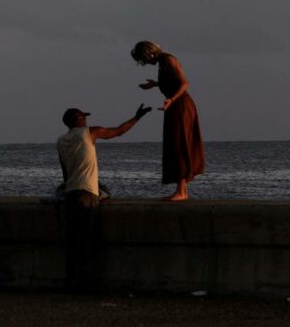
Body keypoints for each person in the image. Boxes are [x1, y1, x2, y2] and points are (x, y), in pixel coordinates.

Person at [57, 104, 151, 290]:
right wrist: (137, 117)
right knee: (86, 239)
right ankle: (85, 284)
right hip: (86, 194)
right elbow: (118, 131)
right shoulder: (89, 133)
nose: (86, 119)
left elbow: (65, 174)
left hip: (70, 193)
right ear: (79, 121)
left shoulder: (61, 141)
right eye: (83, 117)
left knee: (72, 241)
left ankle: (70, 281)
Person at [131, 41, 205, 201]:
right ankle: (182, 191)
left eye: (143, 58)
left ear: (148, 53)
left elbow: (185, 83)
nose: (144, 62)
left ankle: (181, 191)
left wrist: (171, 99)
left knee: (179, 144)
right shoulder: (162, 62)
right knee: (175, 145)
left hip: (180, 105)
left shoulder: (168, 60)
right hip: (173, 106)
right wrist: (156, 84)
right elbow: (172, 81)